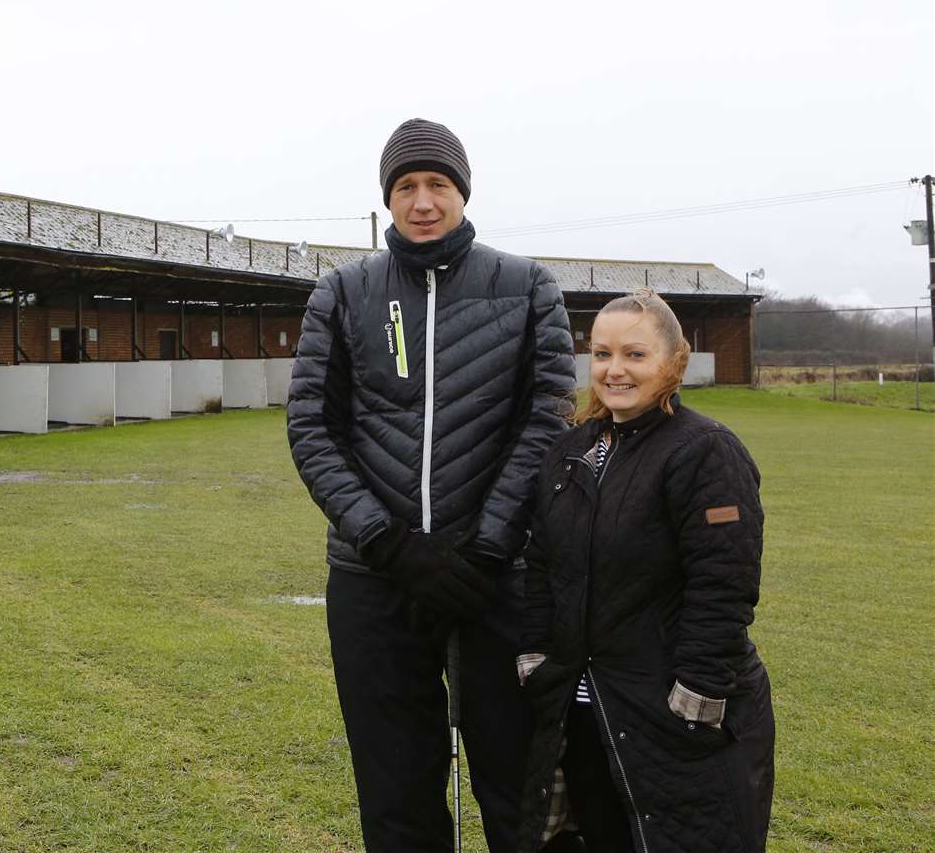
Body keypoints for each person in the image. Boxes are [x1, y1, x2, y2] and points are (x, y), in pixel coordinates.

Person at [287, 118, 577, 852]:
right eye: (406, 186)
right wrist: (388, 544)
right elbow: (312, 428)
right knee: (396, 792)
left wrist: (483, 550)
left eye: (437, 184)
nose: (422, 201)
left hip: (497, 578)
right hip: (375, 578)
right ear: (388, 198)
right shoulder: (343, 292)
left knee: (518, 785)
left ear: (462, 192)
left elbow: (546, 421)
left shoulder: (527, 286)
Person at [516, 289, 774, 852]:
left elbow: (723, 583)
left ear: (672, 361)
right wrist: (536, 657)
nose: (615, 370)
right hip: (584, 712)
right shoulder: (569, 451)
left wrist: (696, 695)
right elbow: (541, 564)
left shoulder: (705, 451)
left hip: (670, 716)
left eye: (635, 355)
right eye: (603, 354)